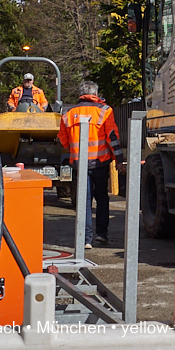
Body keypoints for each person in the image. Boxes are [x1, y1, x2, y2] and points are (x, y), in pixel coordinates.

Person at [57, 81, 124, 247]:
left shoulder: (67, 113)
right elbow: (112, 138)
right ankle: (102, 234)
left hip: (79, 164)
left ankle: (85, 239)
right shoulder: (104, 111)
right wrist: (119, 160)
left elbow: (63, 140)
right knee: (101, 197)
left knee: (84, 201)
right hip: (100, 163)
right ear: (95, 93)